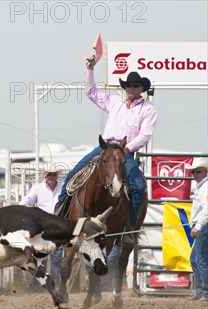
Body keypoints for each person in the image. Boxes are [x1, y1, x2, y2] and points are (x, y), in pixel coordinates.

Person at [55, 56, 157, 242]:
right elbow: (91, 92)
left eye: (135, 86)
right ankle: (60, 215)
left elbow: (145, 135)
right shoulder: (115, 102)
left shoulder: (147, 110)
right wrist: (90, 69)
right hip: (105, 147)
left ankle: (128, 229)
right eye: (129, 86)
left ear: (142, 89)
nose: (131, 89)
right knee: (73, 175)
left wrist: (127, 148)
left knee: (138, 185)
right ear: (125, 88)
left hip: (124, 151)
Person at [20, 167, 64, 285]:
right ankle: (39, 283)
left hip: (57, 225)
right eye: (49, 175)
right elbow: (26, 201)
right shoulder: (38, 189)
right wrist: (20, 211)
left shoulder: (62, 188)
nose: (51, 177)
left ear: (56, 176)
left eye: (53, 175)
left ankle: (55, 283)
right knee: (40, 257)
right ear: (45, 176)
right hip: (42, 226)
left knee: (56, 257)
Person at [186, 158, 208, 301]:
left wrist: (198, 227)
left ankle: (204, 292)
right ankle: (200, 291)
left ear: (206, 171)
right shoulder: (201, 186)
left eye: (198, 171)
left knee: (200, 259)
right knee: (195, 259)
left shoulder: (205, 187)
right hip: (201, 224)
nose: (195, 174)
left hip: (204, 225)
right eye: (193, 171)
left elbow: (207, 209)